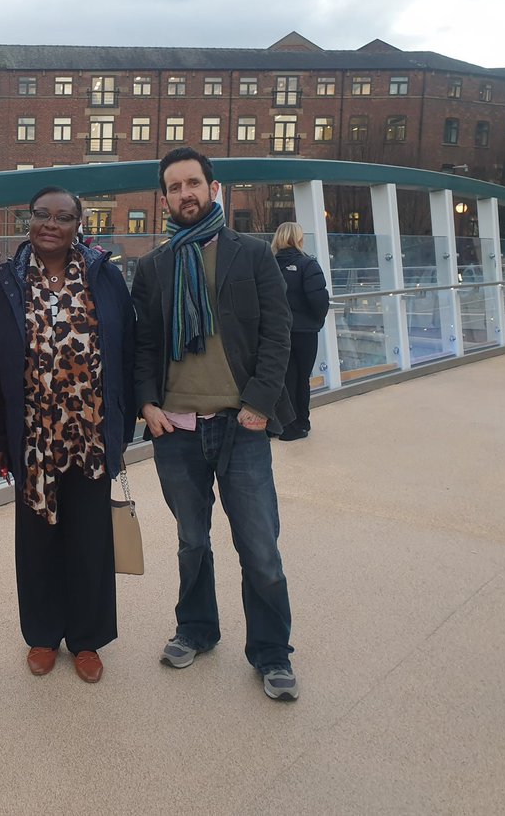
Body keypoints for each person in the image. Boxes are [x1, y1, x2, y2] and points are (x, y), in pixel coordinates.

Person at [131, 147, 300, 702]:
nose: (185, 194)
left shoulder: (251, 254)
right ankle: (197, 629)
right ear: (164, 199)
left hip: (240, 425)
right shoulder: (154, 266)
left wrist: (258, 402)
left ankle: (272, 653)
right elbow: (146, 344)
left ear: (213, 188)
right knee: (190, 540)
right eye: (175, 187)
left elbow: (279, 335)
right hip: (176, 429)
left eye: (193, 183)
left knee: (260, 546)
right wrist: (147, 404)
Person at [0, 186, 135, 684]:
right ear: (28, 220)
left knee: (90, 537)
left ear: (79, 224)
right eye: (41, 215)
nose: (51, 224)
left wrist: (126, 420)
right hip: (32, 435)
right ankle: (44, 635)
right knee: (37, 539)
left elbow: (127, 348)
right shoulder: (5, 282)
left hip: (89, 431)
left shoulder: (104, 276)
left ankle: (87, 639)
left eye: (63, 216)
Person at [271, 222, 330, 441]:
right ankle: (301, 423)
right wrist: (316, 319)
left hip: (277, 332)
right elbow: (319, 299)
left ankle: (284, 423)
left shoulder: (269, 265)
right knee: (302, 378)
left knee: (284, 378)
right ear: (299, 238)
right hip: (304, 332)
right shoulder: (308, 264)